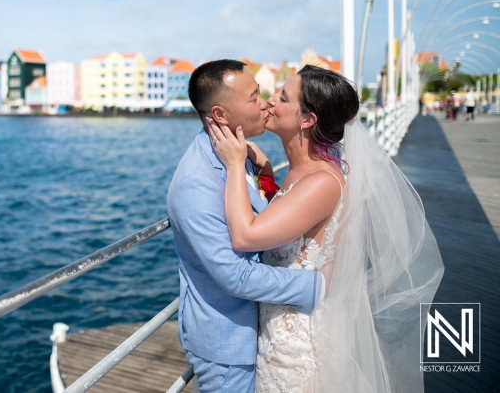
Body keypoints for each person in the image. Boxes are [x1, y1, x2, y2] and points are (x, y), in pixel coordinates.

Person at [208, 65, 444, 392]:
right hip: (279, 330)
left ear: (307, 120)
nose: (268, 101)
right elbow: (297, 225)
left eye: (283, 97)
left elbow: (245, 236)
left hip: (296, 347)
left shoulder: (321, 182)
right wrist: (265, 173)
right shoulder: (304, 171)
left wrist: (235, 166)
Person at [168, 60, 323, 392]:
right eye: (254, 96)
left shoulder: (239, 155)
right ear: (221, 115)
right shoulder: (197, 183)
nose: (265, 102)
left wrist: (261, 169)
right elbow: (234, 275)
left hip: (260, 329)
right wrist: (317, 287)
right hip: (228, 347)